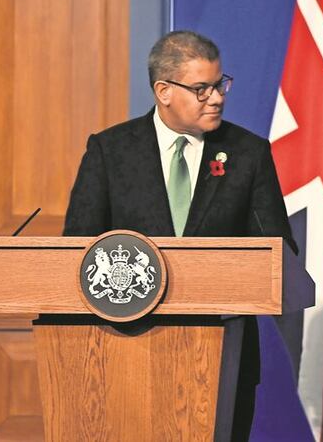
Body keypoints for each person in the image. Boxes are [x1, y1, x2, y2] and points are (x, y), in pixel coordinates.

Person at [64, 30, 296, 441]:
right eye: (201, 89)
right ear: (164, 91)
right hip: (125, 351)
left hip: (225, 355)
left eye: (220, 84)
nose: (218, 98)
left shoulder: (247, 153)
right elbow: (77, 253)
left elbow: (279, 252)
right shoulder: (110, 151)